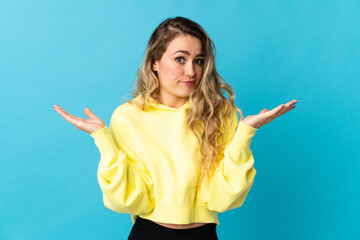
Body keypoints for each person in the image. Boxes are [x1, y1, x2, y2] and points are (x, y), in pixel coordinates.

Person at [53, 16, 297, 240]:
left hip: (204, 235)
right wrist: (102, 138)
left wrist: (244, 133)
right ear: (154, 63)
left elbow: (223, 198)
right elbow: (127, 200)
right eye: (180, 59)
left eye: (198, 61)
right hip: (149, 234)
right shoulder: (129, 116)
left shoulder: (220, 114)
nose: (191, 71)